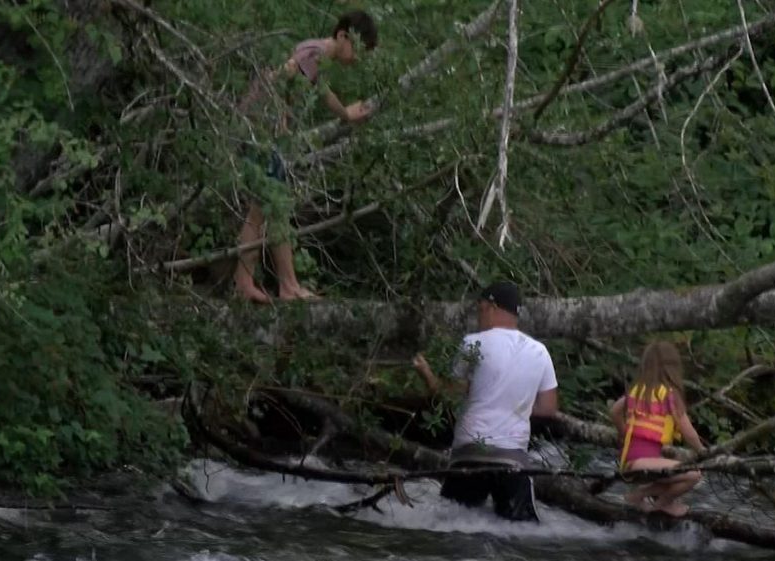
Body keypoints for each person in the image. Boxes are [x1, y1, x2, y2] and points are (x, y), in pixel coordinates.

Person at [233, 11, 378, 303]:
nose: (359, 57)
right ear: (343, 36)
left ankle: (259, 282)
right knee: (269, 207)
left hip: (258, 128)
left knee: (267, 209)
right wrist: (279, 114)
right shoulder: (315, 52)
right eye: (358, 48)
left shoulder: (315, 53)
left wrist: (345, 113)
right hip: (260, 131)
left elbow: (319, 89)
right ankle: (280, 286)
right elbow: (288, 75)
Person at [412, 281, 559, 522]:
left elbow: (448, 393)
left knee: (451, 525)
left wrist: (426, 373)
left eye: (479, 309)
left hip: (470, 452)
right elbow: (548, 408)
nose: (478, 316)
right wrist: (515, 405)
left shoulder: (473, 343)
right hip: (512, 458)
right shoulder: (540, 351)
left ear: (491, 306)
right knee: (521, 532)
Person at [609, 341, 706, 517]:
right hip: (642, 464)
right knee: (694, 474)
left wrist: (624, 434)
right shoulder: (670, 396)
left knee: (674, 477)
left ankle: (640, 497)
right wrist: (703, 452)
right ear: (672, 367)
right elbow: (688, 432)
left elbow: (615, 411)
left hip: (629, 463)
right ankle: (660, 505)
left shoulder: (637, 391)